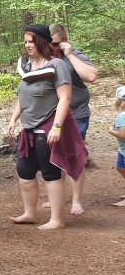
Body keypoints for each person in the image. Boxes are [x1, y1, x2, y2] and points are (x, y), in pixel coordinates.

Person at [6, 25, 86, 230]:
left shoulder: (57, 65)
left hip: (47, 126)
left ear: (41, 41)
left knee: (50, 173)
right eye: (25, 42)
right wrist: (14, 118)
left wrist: (57, 127)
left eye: (31, 41)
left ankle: (56, 220)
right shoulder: (27, 66)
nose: (27, 46)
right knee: (25, 171)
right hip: (28, 128)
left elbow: (65, 98)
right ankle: (29, 213)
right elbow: (23, 96)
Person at [40, 24, 98, 215]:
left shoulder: (74, 55)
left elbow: (91, 76)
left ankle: (76, 201)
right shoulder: (44, 58)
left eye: (55, 44)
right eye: (48, 44)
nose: (51, 48)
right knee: (54, 156)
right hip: (51, 115)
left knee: (74, 156)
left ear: (64, 41)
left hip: (76, 114)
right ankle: (59, 197)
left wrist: (70, 55)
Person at [109, 86, 125, 208]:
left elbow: (122, 134)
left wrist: (110, 130)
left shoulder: (122, 116)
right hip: (122, 150)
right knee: (120, 167)